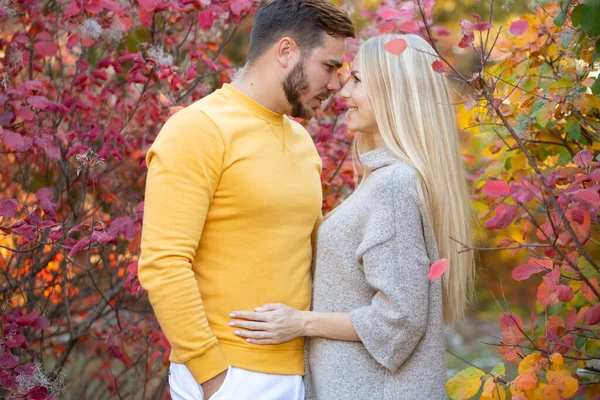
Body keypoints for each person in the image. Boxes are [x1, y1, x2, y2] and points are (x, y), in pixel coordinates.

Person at [228, 34, 476, 399]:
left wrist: (300, 322)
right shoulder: (387, 179)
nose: (342, 91)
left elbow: (400, 318)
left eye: (357, 80)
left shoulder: (394, 186)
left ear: (396, 91)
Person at [137, 1, 355, 399]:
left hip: (304, 371)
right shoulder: (198, 129)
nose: (337, 83)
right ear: (286, 51)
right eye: (329, 66)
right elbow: (164, 263)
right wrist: (213, 378)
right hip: (231, 375)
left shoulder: (303, 142)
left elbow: (308, 256)